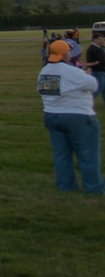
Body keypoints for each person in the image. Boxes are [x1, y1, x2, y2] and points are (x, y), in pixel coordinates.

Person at [37, 40, 103, 194]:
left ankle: (66, 186)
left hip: (52, 115)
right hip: (78, 116)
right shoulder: (72, 71)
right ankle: (93, 189)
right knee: (88, 155)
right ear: (65, 54)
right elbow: (93, 85)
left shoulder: (45, 71)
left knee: (61, 155)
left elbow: (50, 93)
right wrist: (86, 74)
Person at [83, 34, 105, 106]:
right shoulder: (93, 48)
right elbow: (99, 61)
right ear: (94, 39)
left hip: (101, 71)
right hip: (97, 71)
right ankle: (87, 100)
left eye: (102, 39)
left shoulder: (99, 48)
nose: (101, 41)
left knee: (103, 88)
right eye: (99, 39)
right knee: (99, 87)